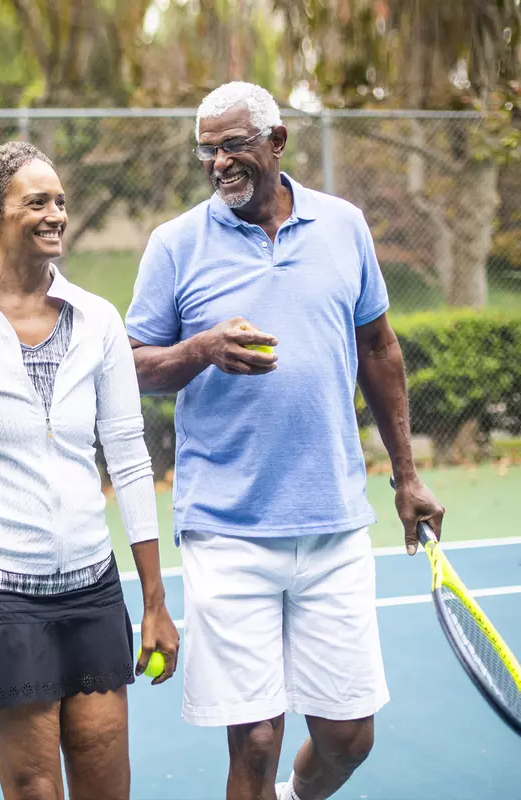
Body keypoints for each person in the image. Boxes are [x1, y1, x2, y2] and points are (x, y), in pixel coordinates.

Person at [125, 82, 445, 800]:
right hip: (226, 527)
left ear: (277, 142)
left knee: (347, 737)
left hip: (332, 521)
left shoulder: (343, 226)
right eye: (206, 149)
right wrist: (201, 349)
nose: (218, 162)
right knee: (257, 739)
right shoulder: (174, 245)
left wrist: (407, 477)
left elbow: (379, 348)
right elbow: (133, 366)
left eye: (233, 144)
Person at [0, 141, 179, 800]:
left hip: (90, 586)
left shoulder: (98, 321)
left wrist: (156, 601)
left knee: (109, 788)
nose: (55, 214)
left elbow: (131, 459)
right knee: (34, 791)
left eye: (59, 201)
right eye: (37, 202)